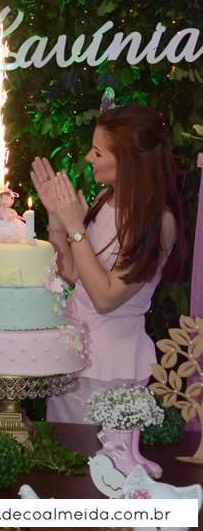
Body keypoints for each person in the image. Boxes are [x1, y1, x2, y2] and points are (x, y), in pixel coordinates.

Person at [31, 105, 187, 424]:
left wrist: (76, 227)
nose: (89, 158)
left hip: (112, 366)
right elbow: (72, 274)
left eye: (98, 152)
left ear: (129, 161)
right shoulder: (105, 199)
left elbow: (105, 299)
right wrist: (57, 218)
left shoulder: (159, 221)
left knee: (103, 452)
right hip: (73, 355)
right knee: (62, 448)